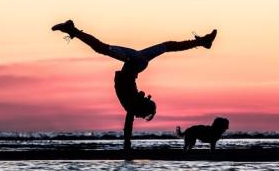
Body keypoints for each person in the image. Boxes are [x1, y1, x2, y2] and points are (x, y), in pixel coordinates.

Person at [51, 20, 217, 151]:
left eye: (148, 104)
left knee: (166, 46)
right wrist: (127, 144)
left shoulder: (132, 105)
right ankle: (72, 30)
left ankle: (203, 42)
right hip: (134, 63)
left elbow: (128, 125)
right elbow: (129, 123)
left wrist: (127, 143)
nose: (146, 100)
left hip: (136, 63)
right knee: (102, 48)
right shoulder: (134, 102)